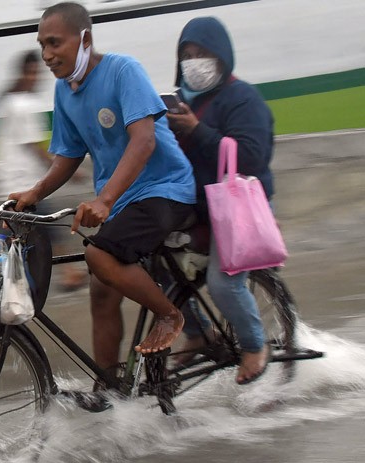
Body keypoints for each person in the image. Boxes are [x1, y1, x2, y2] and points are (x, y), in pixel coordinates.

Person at [9, 2, 196, 382]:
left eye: (55, 43)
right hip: (126, 200)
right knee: (102, 292)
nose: (46, 55)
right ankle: (109, 387)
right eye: (42, 45)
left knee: (100, 258)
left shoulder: (123, 70)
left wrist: (104, 199)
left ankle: (170, 315)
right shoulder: (65, 91)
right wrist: (34, 192)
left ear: (85, 39)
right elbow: (68, 156)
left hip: (166, 189)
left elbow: (142, 141)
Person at [166, 17, 275, 385]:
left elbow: (252, 159)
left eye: (203, 54)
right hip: (196, 209)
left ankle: (254, 344)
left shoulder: (243, 98)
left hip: (236, 213)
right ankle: (197, 334)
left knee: (223, 282)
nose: (194, 62)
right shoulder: (182, 102)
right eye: (187, 55)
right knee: (155, 263)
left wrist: (198, 132)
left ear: (222, 57)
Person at [0, 50, 86, 290]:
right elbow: (36, 148)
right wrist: (67, 170)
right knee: (46, 229)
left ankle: (68, 273)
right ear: (23, 73)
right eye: (31, 72)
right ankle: (69, 273)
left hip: (14, 183)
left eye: (37, 72)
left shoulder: (11, 100)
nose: (35, 77)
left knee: (12, 238)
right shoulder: (23, 104)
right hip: (23, 184)